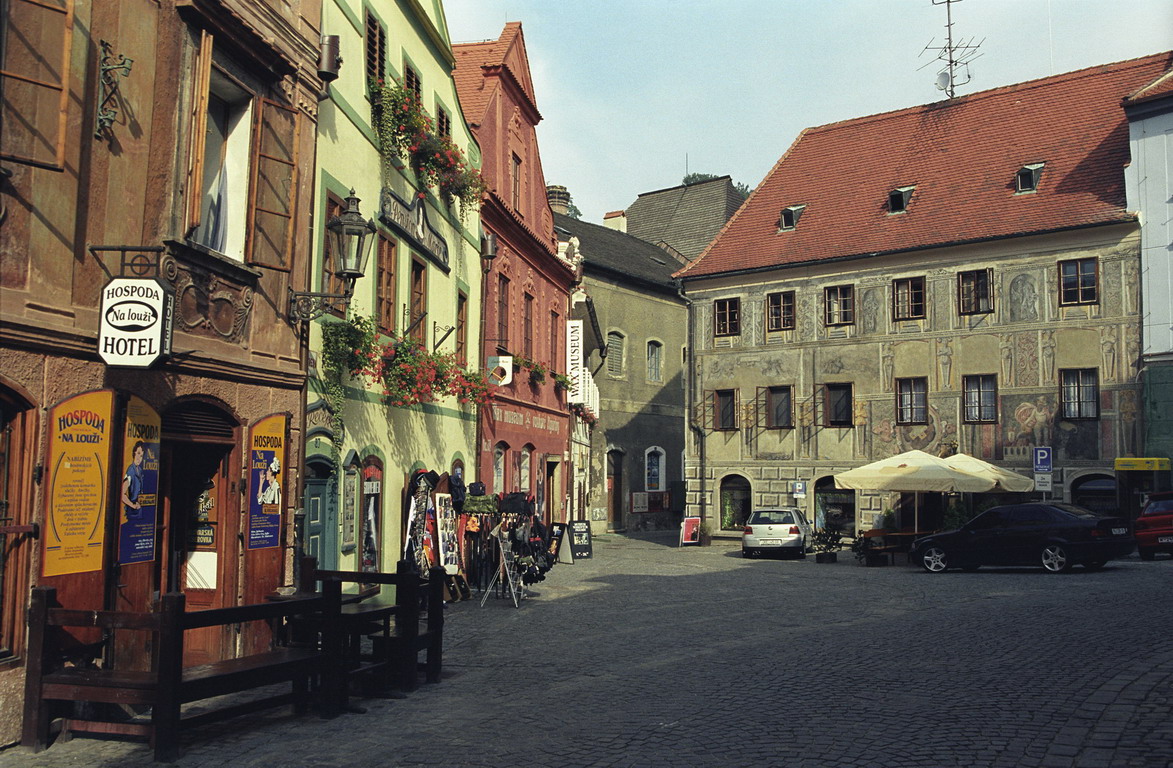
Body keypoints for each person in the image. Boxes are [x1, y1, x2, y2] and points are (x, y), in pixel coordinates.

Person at [122, 441, 146, 521]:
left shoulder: (140, 470)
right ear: (134, 453)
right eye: (138, 453)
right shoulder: (131, 470)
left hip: (139, 509)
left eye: (142, 456)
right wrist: (132, 505)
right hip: (132, 511)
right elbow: (122, 494)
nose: (139, 458)